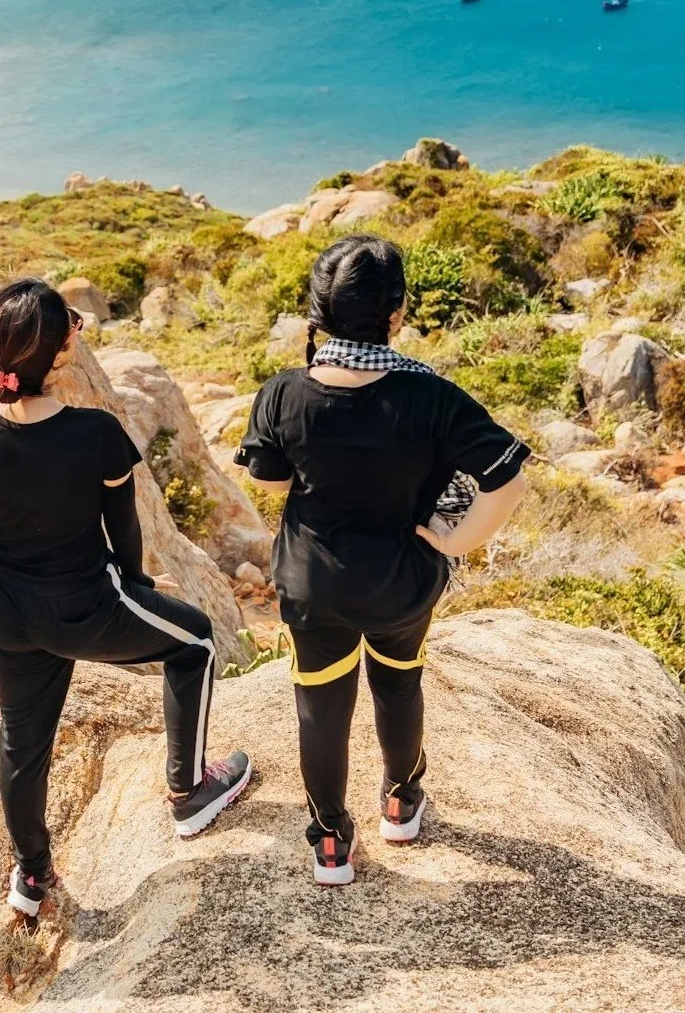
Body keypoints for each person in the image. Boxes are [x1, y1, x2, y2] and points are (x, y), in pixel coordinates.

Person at [0, 278, 251, 917]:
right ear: (62, 353)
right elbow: (124, 530)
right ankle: (190, 791)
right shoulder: (95, 433)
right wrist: (137, 585)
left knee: (22, 743)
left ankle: (31, 875)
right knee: (195, 641)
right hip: (86, 606)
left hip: (7, 612)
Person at [237, 234, 529, 886]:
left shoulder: (282, 393)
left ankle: (330, 841)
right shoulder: (434, 397)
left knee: (321, 707)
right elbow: (507, 481)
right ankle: (401, 800)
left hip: (314, 586)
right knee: (399, 684)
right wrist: (454, 542)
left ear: (318, 312)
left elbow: (272, 481)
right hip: (403, 582)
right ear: (396, 313)